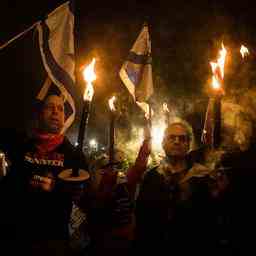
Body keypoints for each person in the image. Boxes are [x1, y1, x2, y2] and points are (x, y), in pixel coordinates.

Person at [0, 94, 88, 256]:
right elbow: (8, 189)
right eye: (50, 107)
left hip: (55, 242)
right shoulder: (22, 147)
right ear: (40, 114)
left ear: (64, 118)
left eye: (60, 109)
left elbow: (87, 199)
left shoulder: (74, 156)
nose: (55, 112)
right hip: (18, 238)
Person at [134, 120, 218, 255]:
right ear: (163, 143)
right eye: (172, 137)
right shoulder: (151, 176)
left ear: (188, 145)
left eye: (182, 138)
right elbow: (142, 218)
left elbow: (208, 221)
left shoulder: (200, 176)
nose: (177, 141)